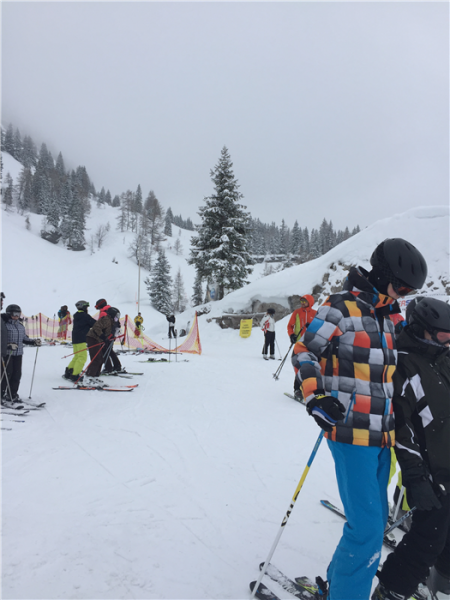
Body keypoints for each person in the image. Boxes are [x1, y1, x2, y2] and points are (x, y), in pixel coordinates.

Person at [291, 238, 427, 600]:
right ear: (382, 276)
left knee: (373, 524)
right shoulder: (341, 307)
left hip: (384, 435)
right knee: (367, 529)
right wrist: (316, 395)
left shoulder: (392, 317)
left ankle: (337, 586)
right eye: (401, 288)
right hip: (350, 431)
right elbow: (305, 351)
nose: (403, 296)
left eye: (410, 292)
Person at [373, 298, 450, 600]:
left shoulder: (441, 358)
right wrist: (417, 478)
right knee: (428, 539)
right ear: (422, 329)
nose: (448, 341)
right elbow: (402, 429)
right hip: (432, 471)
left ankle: (441, 587)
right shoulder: (402, 365)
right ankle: (390, 590)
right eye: (443, 335)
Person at [0, 304, 41, 402]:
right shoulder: (4, 325)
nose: (16, 316)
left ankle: (12, 394)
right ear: (9, 314)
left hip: (18, 354)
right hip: (7, 354)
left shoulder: (20, 326)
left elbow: (24, 338)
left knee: (17, 375)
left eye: (18, 314)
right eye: (14, 313)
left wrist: (33, 342)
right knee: (6, 374)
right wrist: (8, 345)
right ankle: (1, 394)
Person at [287, 294, 316, 399]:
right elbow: (290, 326)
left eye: (305, 301)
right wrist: (292, 335)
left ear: (310, 302)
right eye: (301, 301)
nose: (302, 303)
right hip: (300, 344)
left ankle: (312, 389)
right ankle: (298, 390)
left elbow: (320, 327)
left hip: (312, 344)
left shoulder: (315, 313)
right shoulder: (297, 312)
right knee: (298, 366)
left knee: (313, 366)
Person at [84, 307, 121, 384]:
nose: (117, 318)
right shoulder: (106, 320)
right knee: (96, 359)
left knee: (100, 358)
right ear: (112, 315)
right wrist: (102, 336)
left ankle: (95, 376)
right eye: (116, 315)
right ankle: (89, 377)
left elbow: (108, 332)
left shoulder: (111, 321)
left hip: (98, 340)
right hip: (93, 338)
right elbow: (96, 327)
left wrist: (107, 339)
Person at [64, 301, 96, 382]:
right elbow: (94, 324)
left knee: (77, 356)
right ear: (84, 307)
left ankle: (69, 371)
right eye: (86, 307)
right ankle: (75, 375)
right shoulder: (85, 316)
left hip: (75, 339)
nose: (87, 309)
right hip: (81, 339)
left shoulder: (77, 315)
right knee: (82, 357)